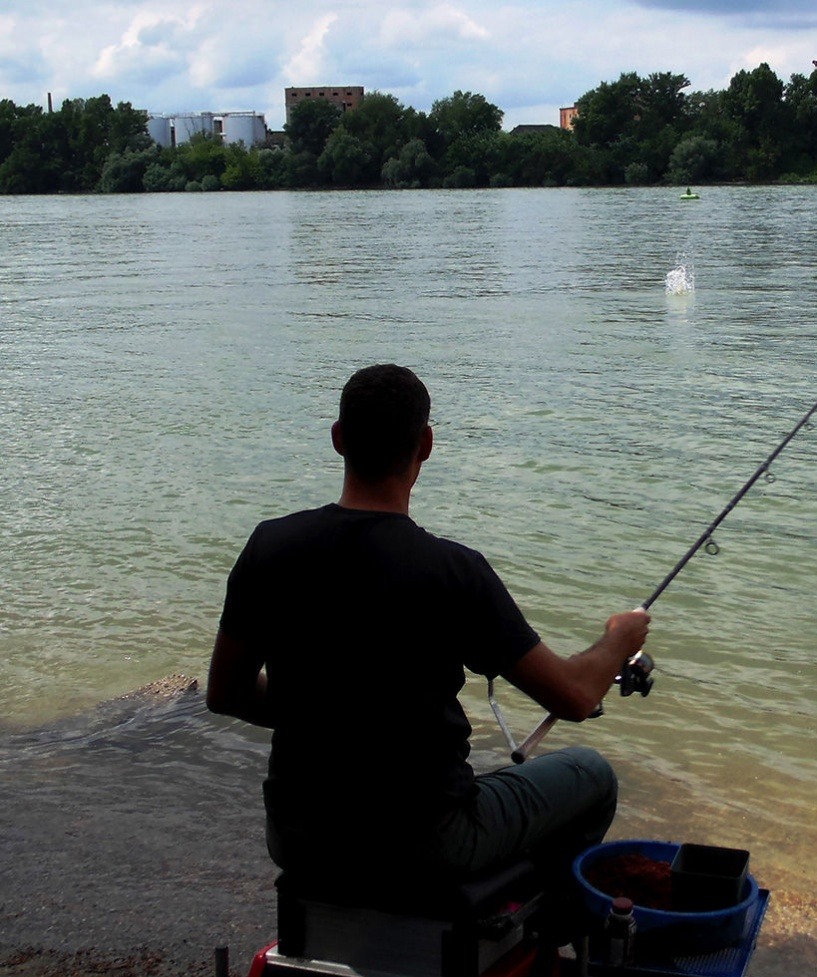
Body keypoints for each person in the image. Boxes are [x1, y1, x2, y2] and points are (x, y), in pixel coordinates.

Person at [207, 363, 650, 897]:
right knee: (591, 775)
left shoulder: (268, 547)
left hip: (298, 835)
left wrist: (325, 708)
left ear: (338, 439)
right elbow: (575, 696)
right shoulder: (453, 571)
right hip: (428, 841)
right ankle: (550, 931)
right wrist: (618, 638)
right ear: (427, 445)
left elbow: (225, 694)